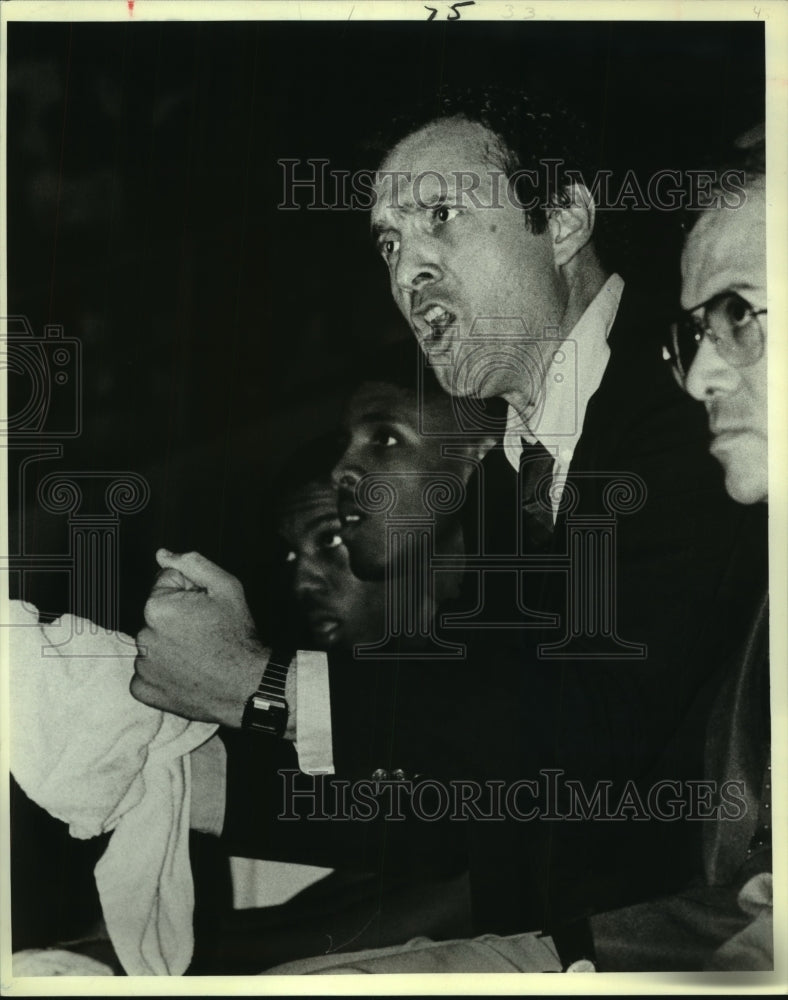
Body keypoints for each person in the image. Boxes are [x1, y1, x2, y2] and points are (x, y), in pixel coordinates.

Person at [132, 88, 766, 953]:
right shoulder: (515, 470)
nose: (407, 270)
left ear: (567, 218)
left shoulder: (691, 403)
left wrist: (264, 683)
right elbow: (468, 803)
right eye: (390, 242)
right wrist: (170, 772)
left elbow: (595, 719)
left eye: (441, 216)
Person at [144, 345, 494, 971]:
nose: (304, 579)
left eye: (333, 539)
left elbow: (455, 889)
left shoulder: (491, 688)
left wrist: (178, 961)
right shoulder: (325, 723)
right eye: (291, 557)